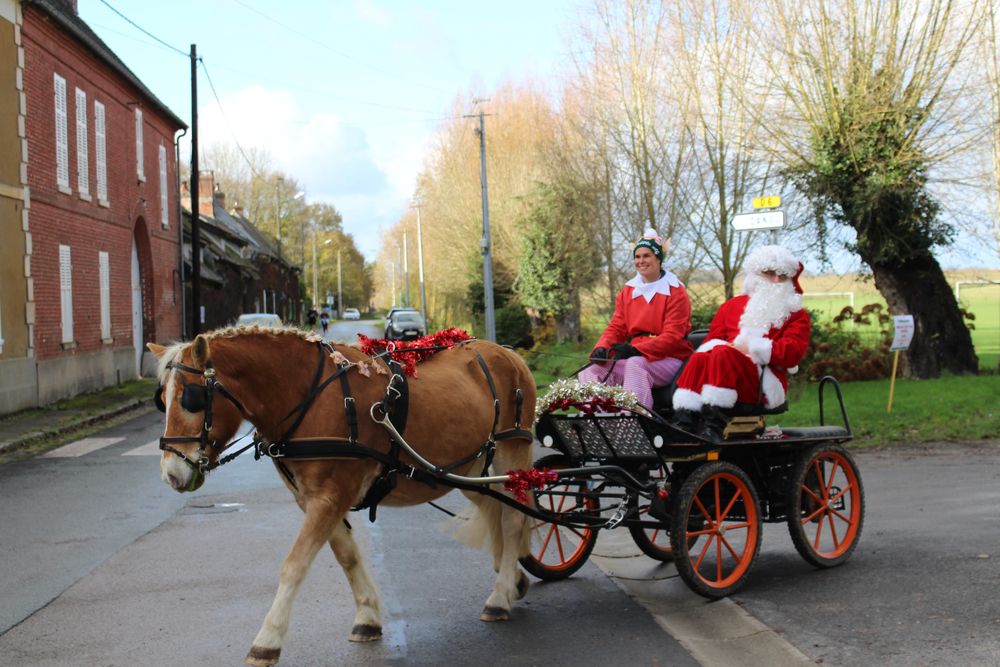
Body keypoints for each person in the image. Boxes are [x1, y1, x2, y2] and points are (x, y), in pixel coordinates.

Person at [671, 244, 811, 442]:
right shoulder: (731, 306)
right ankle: (684, 420)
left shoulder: (795, 313)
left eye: (783, 276)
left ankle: (713, 425)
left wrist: (753, 348)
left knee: (722, 353)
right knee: (702, 355)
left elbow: (793, 352)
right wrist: (729, 348)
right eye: (770, 273)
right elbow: (711, 341)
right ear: (756, 275)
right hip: (725, 370)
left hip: (764, 382)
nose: (776, 280)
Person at [580, 228, 693, 409]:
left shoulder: (676, 291)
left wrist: (636, 350)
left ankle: (632, 420)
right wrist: (602, 348)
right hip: (637, 356)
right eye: (637, 257)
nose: (641, 261)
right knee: (591, 371)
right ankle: (598, 418)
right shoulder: (628, 291)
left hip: (670, 359)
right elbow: (617, 327)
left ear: (658, 258)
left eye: (646, 256)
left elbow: (673, 337)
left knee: (635, 365)